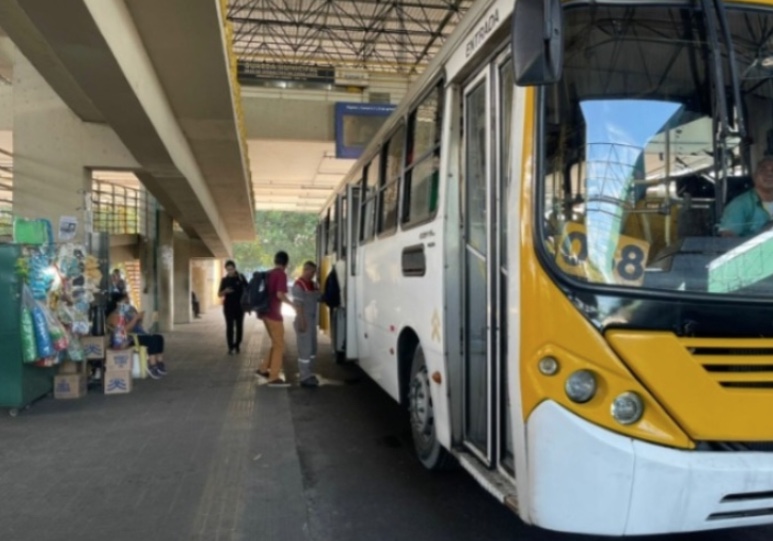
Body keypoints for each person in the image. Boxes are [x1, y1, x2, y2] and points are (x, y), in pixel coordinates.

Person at [256, 251, 295, 387]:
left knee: (276, 343)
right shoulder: (281, 274)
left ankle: (263, 369)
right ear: (286, 263)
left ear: (275, 261)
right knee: (279, 345)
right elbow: (279, 294)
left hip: (265, 313)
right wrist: (292, 305)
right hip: (274, 315)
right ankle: (273, 377)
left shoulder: (269, 273)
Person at [106, 294, 166, 379]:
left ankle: (159, 363)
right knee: (151, 340)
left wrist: (139, 319)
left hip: (137, 334)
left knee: (159, 338)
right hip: (127, 339)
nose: (128, 304)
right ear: (118, 303)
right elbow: (123, 331)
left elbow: (138, 326)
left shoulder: (128, 311)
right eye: (125, 302)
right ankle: (152, 365)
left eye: (128, 301)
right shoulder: (114, 315)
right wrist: (135, 318)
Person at [719, 156, 773, 237]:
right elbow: (728, 239)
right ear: (754, 177)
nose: (769, 174)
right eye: (763, 170)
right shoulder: (739, 205)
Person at [293, 261, 321, 388]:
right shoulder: (299, 285)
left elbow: (319, 297)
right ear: (306, 270)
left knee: (313, 349)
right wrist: (302, 321)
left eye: (314, 272)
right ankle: (304, 377)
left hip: (312, 320)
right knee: (305, 349)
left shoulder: (313, 285)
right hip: (304, 319)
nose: (313, 274)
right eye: (312, 271)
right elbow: (298, 306)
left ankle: (309, 373)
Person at [218, 260, 247, 355]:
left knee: (239, 327)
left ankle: (237, 345)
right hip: (228, 307)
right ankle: (230, 347)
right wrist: (225, 291)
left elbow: (247, 289)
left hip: (240, 307)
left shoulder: (241, 278)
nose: (230, 271)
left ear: (235, 268)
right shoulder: (224, 280)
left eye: (231, 269)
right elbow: (219, 294)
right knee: (229, 327)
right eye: (228, 270)